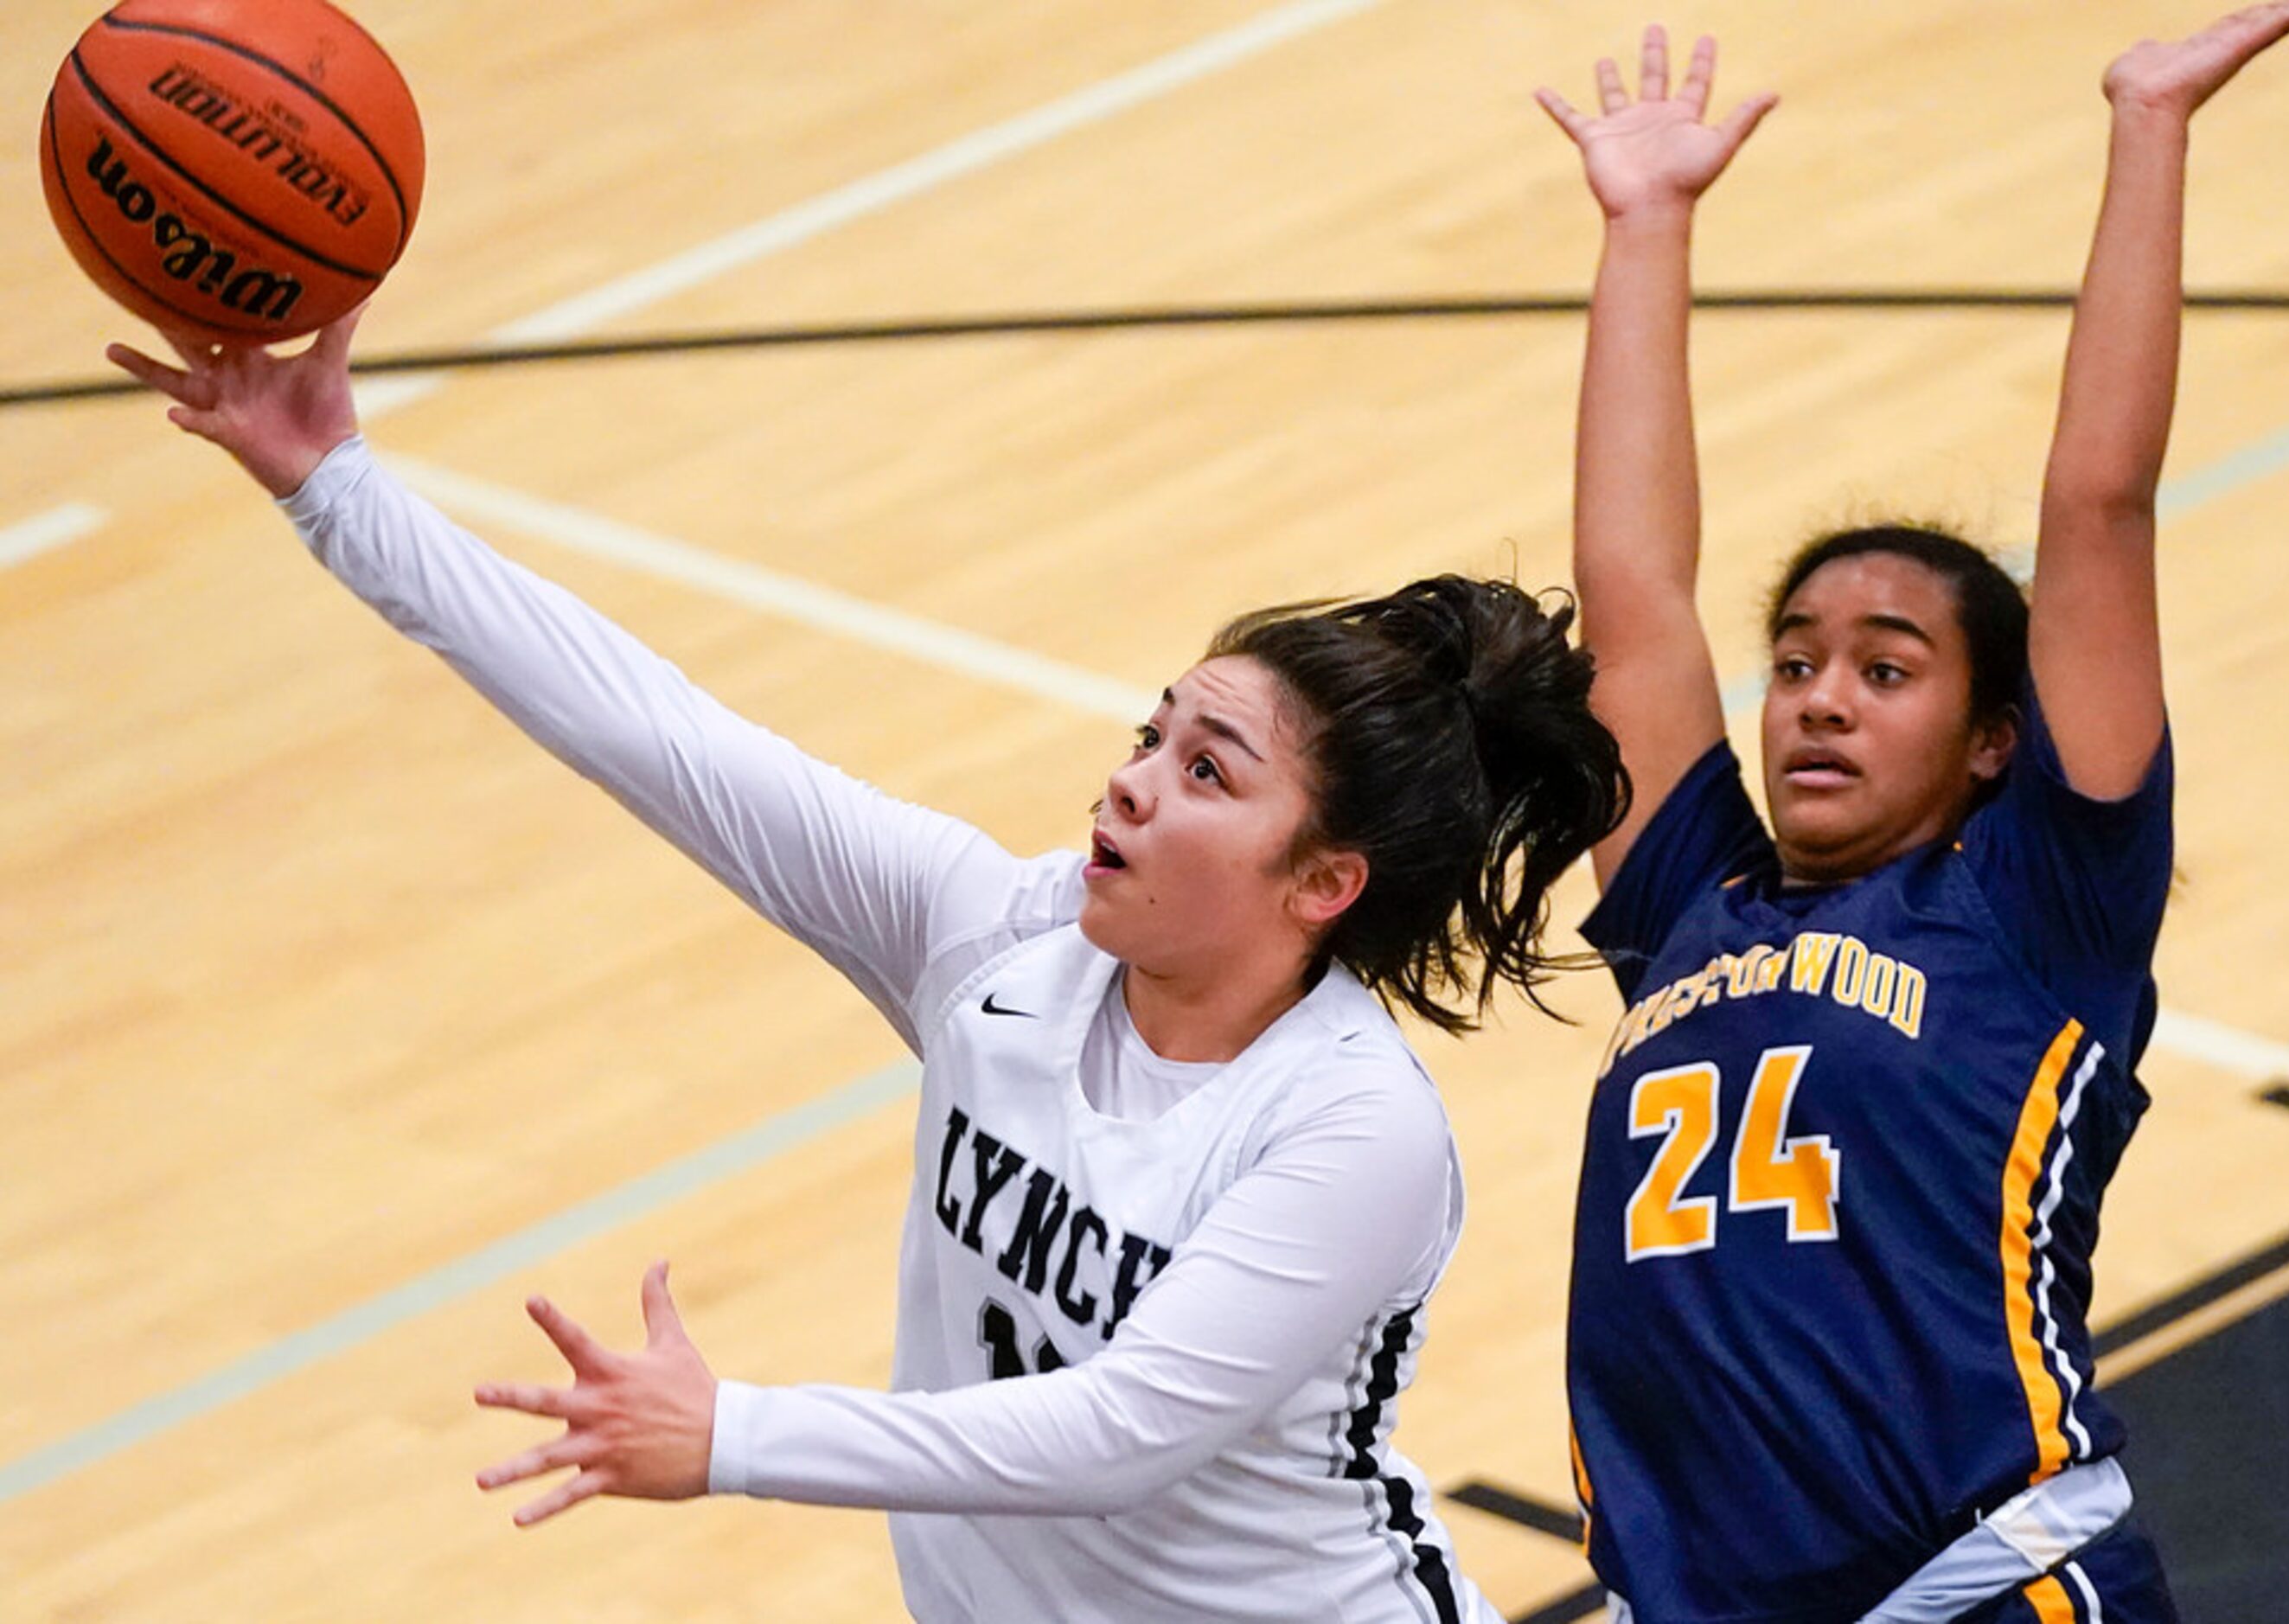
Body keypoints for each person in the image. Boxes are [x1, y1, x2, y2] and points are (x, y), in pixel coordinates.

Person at [108, 306, 1630, 1622]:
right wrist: (335, 489)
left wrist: (737, 1433)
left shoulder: (1349, 1130)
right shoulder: (1000, 941)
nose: (1133, 781)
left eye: (1209, 772)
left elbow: (1113, 1432)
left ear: (1323, 882)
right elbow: (667, 739)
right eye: (1150, 729)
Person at [1534, 3, 2289, 1621]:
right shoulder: (1695, 897)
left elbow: (2098, 501)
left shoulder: (2036, 904)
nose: (1820, 696)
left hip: (1982, 1588)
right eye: (1794, 662)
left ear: (1995, 739)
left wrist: (2150, 121)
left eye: (1885, 668)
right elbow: (1633, 596)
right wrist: (1647, 229)